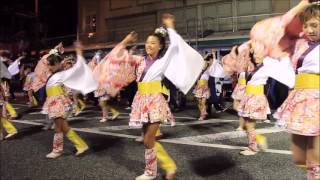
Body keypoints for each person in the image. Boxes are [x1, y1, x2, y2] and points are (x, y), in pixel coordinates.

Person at [274, 3, 320, 179]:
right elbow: (281, 27)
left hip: (317, 99)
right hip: (300, 97)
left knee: (314, 154)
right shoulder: (300, 43)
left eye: (314, 25)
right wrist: (302, 5)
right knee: (299, 154)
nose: (309, 29)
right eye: (306, 25)